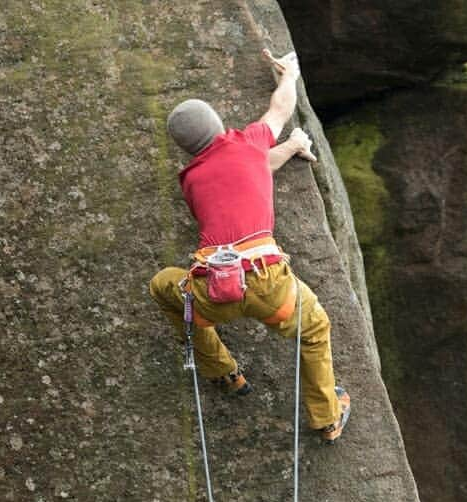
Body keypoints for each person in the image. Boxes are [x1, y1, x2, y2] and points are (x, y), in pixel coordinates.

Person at [149, 49, 350, 443]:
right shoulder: (246, 142)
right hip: (268, 284)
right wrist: (288, 76)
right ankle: (326, 419)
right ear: (219, 125)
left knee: (163, 287)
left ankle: (222, 370)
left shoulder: (189, 179)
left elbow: (251, 171)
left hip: (211, 290)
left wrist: (291, 148)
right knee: (313, 329)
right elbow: (279, 110)